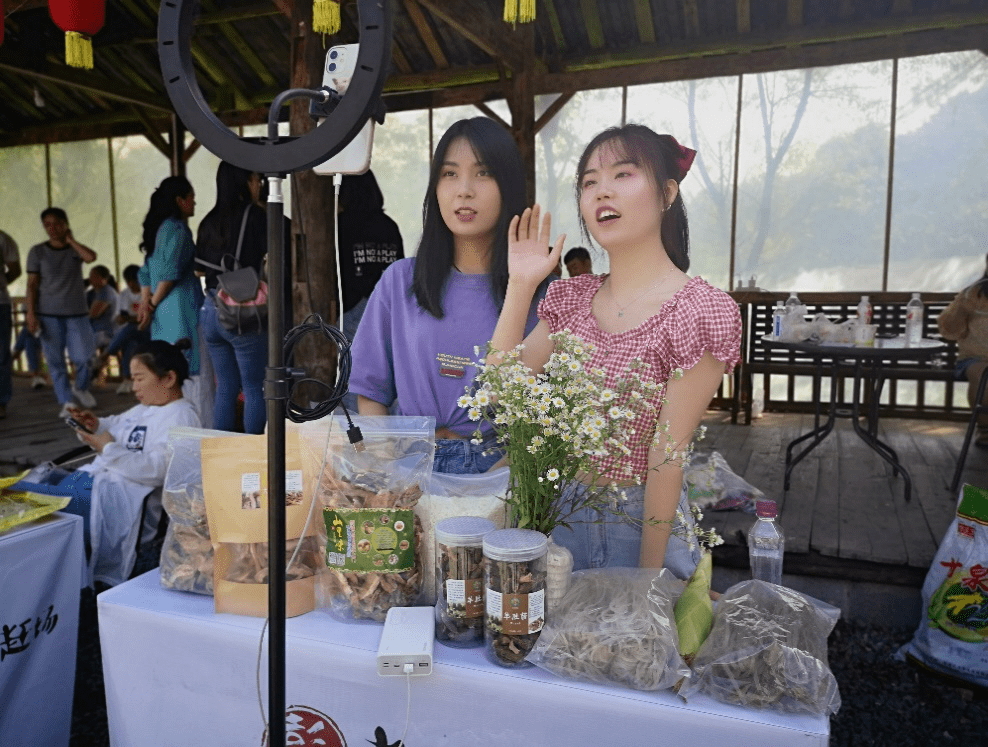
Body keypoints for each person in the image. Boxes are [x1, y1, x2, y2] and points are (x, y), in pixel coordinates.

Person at [486, 124, 742, 576]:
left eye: (623, 175)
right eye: (589, 182)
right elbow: (500, 394)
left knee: (637, 646)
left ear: (666, 193)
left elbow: (667, 456)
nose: (602, 190)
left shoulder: (699, 310)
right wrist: (521, 285)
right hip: (560, 516)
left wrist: (646, 583)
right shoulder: (573, 300)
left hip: (642, 528)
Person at [349, 117, 548, 474]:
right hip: (409, 459)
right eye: (450, 174)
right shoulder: (400, 281)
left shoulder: (536, 292)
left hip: (500, 465)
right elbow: (371, 390)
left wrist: (503, 479)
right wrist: (385, 465)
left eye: (483, 173)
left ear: (509, 185)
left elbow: (545, 413)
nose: (464, 190)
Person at [64, 339, 200, 585]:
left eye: (139, 378)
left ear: (168, 378)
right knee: (32, 490)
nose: (134, 386)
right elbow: (115, 424)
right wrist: (95, 425)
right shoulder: (145, 408)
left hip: (120, 502)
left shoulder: (182, 417)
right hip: (96, 485)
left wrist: (107, 447)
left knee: (39, 504)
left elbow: (159, 470)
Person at [195, 162, 268, 433]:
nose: (258, 185)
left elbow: (199, 268)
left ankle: (224, 453)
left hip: (210, 309)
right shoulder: (255, 216)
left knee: (224, 387)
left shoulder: (208, 220)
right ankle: (254, 453)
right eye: (255, 179)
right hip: (240, 311)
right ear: (244, 181)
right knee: (253, 387)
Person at [337, 169, 404, 413]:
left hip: (353, 308)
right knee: (382, 376)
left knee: (350, 377)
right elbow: (399, 271)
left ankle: (353, 435)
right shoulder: (390, 226)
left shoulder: (342, 225)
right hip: (387, 311)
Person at [25, 207, 99, 417]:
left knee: (84, 357)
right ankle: (66, 401)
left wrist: (71, 241)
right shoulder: (37, 251)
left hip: (77, 312)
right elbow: (31, 285)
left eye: (57, 223)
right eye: (47, 225)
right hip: (48, 314)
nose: (53, 229)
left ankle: (81, 388)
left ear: (66, 224)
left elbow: (91, 257)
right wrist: (31, 313)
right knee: (55, 360)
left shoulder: (75, 250)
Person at [137, 176, 203, 376]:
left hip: (161, 316)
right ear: (179, 200)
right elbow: (170, 275)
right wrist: (151, 305)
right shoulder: (178, 230)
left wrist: (145, 302)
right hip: (182, 310)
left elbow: (146, 272)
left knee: (166, 368)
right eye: (191, 197)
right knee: (188, 369)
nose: (194, 202)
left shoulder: (158, 229)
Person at [938, 254, 988, 447]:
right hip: (974, 359)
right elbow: (948, 331)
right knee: (984, 374)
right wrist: (962, 311)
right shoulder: (973, 294)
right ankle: (985, 432)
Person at [93, 264, 150, 394]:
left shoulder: (148, 291)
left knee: (129, 330)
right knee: (129, 342)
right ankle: (127, 380)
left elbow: (146, 318)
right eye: (129, 282)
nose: (131, 284)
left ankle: (106, 355)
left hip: (148, 331)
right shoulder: (124, 294)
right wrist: (126, 319)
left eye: (133, 281)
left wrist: (131, 319)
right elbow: (121, 316)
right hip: (133, 332)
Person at [0, 229, 22, 419]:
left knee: (1, 355)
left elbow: (15, 269)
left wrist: (1, 282)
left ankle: (1, 402)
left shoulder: (2, 239)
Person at [87, 265, 119, 349]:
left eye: (92, 276)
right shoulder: (91, 293)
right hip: (96, 331)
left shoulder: (106, 291)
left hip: (107, 332)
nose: (89, 278)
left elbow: (94, 314)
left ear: (101, 278)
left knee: (78, 343)